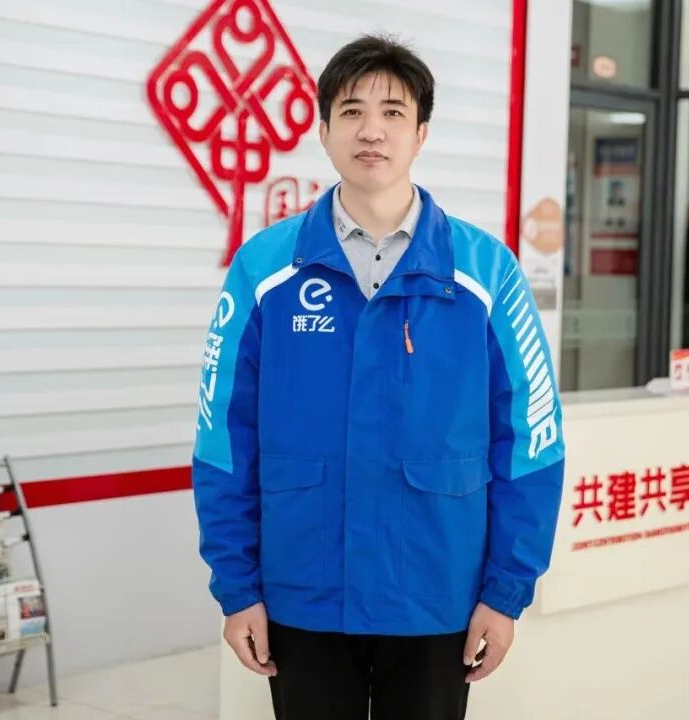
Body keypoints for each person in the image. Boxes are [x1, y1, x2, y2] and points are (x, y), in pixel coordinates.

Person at [192, 34, 566, 720]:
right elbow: (222, 437)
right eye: (352, 111)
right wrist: (237, 586)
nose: (372, 130)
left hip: (437, 591)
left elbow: (532, 440)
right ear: (323, 130)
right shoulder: (265, 269)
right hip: (303, 590)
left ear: (421, 133)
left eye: (393, 112)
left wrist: (506, 590)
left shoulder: (486, 272)